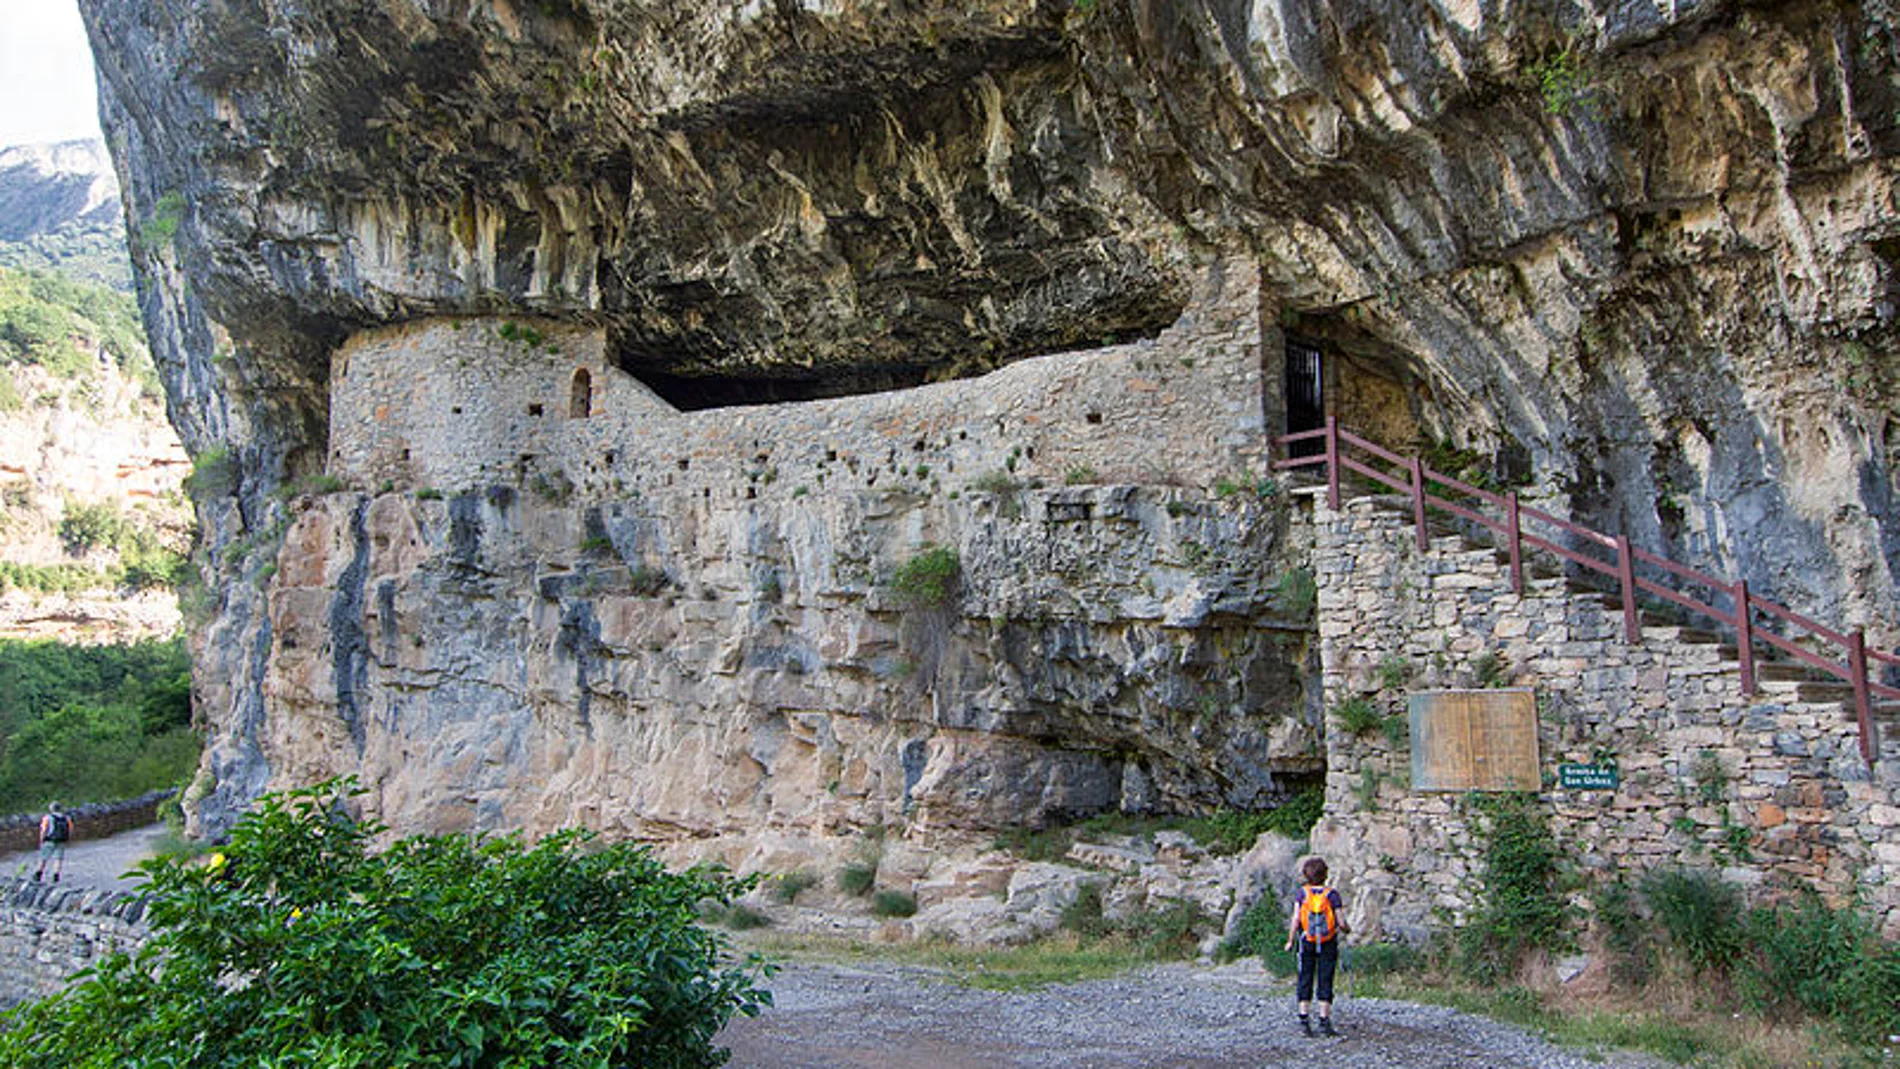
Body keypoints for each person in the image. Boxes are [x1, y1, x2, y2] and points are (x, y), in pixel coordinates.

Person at [1284, 855, 1349, 1037]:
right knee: (1325, 978)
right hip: (1328, 941)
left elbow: (1296, 919)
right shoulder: (1332, 895)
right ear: (1325, 875)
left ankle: (1304, 1021)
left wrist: (1290, 941)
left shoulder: (1302, 894)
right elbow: (1341, 922)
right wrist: (1346, 929)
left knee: (1305, 977)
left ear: (1306, 875)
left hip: (1307, 941)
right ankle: (1324, 1022)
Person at [34, 801, 72, 883]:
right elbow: (70, 829)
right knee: (58, 858)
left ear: (51, 809)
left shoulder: (47, 817)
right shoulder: (66, 818)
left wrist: (41, 840)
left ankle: (38, 875)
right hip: (61, 840)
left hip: (49, 840)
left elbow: (44, 830)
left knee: (43, 858)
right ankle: (56, 876)